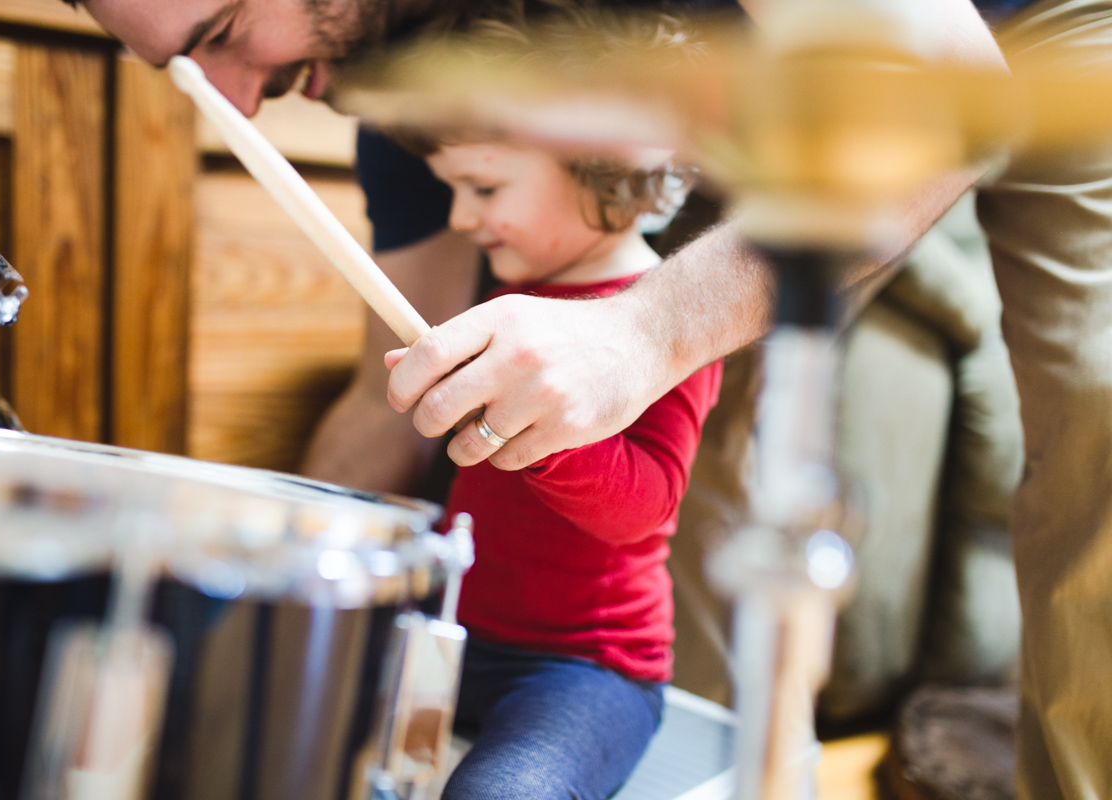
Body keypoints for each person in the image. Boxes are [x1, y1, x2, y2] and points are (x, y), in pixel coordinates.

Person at [66, 1, 1108, 798]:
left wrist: (644, 334)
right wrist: (256, 603)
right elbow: (390, 400)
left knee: (1094, 450)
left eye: (226, 29)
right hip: (686, 72)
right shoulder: (418, 84)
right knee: (706, 474)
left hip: (995, 39)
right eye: (182, 70)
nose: (236, 100)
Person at [397, 119, 722, 798]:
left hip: (586, 669)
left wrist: (532, 431)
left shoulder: (668, 323)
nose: (460, 217)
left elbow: (644, 505)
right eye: (452, 189)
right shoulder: (507, 302)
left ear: (599, 161)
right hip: (451, 629)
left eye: (482, 186)